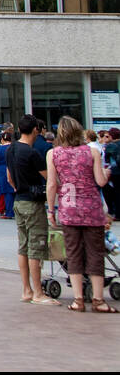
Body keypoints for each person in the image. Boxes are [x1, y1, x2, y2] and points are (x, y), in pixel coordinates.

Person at [46, 116, 116, 312]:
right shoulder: (92, 151)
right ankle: (98, 300)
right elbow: (101, 182)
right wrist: (108, 173)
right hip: (92, 209)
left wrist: (51, 210)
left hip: (69, 209)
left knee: (73, 253)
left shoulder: (53, 154)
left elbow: (52, 184)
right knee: (96, 253)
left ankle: (78, 300)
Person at [7, 113, 58, 305]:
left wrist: (18, 187)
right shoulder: (32, 153)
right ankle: (38, 293)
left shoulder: (11, 149)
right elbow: (50, 179)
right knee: (35, 247)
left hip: (18, 200)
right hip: (33, 202)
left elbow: (10, 177)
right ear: (36, 129)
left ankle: (26, 290)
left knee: (23, 246)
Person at [0, 130, 15, 219]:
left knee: (6, 192)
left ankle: (8, 212)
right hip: (14, 169)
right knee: (13, 190)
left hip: (2, 171)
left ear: (2, 140)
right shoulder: (14, 147)